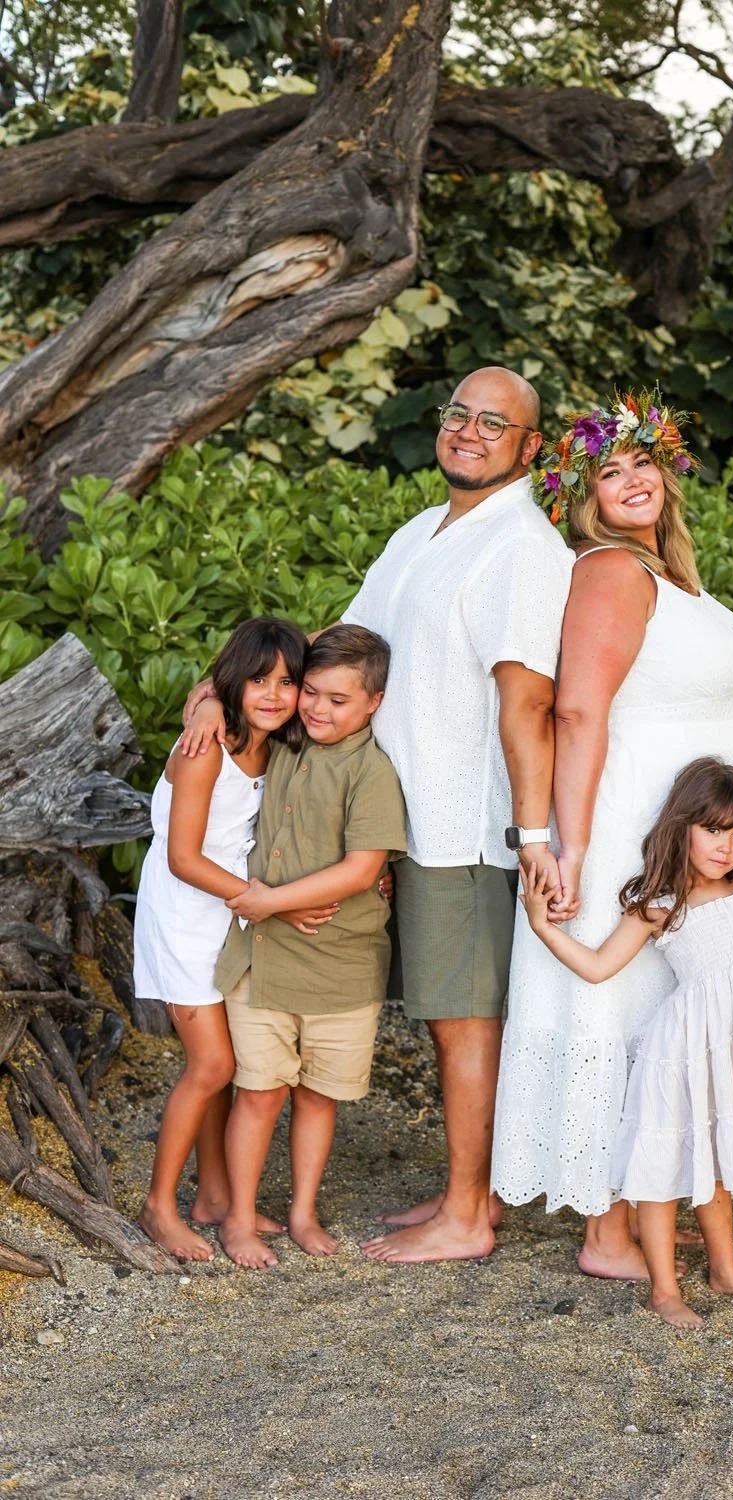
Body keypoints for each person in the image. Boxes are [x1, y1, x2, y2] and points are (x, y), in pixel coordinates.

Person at [492, 391, 733, 1279]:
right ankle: (606, 1229)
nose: (633, 479)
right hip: (635, 820)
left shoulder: (677, 579)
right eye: (610, 470)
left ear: (668, 476)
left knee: (678, 1021)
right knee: (625, 1011)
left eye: (643, 462)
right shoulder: (610, 570)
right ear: (585, 497)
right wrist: (570, 844)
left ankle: (656, 1205)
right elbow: (577, 710)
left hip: (707, 824)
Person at [348, 366, 573, 1264]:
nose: (468, 431)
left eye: (493, 422)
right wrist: (231, 681)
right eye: (458, 415)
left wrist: (530, 837)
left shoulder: (523, 547)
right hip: (409, 819)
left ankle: (470, 1215)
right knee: (450, 1016)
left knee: (467, 1021)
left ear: (530, 447)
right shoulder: (424, 531)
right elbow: (350, 645)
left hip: (467, 827)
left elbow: (529, 702)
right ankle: (465, 1192)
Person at [519, 757, 733, 1329]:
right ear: (683, 826)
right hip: (679, 1056)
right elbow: (599, 966)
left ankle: (725, 1271)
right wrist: (542, 926)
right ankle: (664, 1290)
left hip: (725, 1057)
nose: (726, 847)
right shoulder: (662, 903)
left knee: (718, 1164)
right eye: (713, 830)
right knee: (659, 1177)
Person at [210, 625, 408, 1269]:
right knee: (258, 1092)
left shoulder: (371, 772)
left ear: (374, 702)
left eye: (338, 700)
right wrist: (208, 703)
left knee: (317, 1096)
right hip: (264, 961)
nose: (317, 708)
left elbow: (361, 869)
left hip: (341, 968)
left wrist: (271, 899)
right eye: (311, 691)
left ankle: (302, 1211)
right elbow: (240, 679)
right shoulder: (283, 738)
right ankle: (240, 1217)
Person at [133, 617, 311, 1261]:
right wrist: (271, 906)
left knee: (224, 1064)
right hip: (185, 915)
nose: (273, 694)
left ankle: (212, 1195)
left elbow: (331, 631)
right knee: (212, 1065)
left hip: (228, 917)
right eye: (259, 680)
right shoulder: (207, 746)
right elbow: (182, 857)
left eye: (287, 682)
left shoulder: (273, 745)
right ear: (234, 680)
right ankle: (158, 1207)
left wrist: (210, 690)